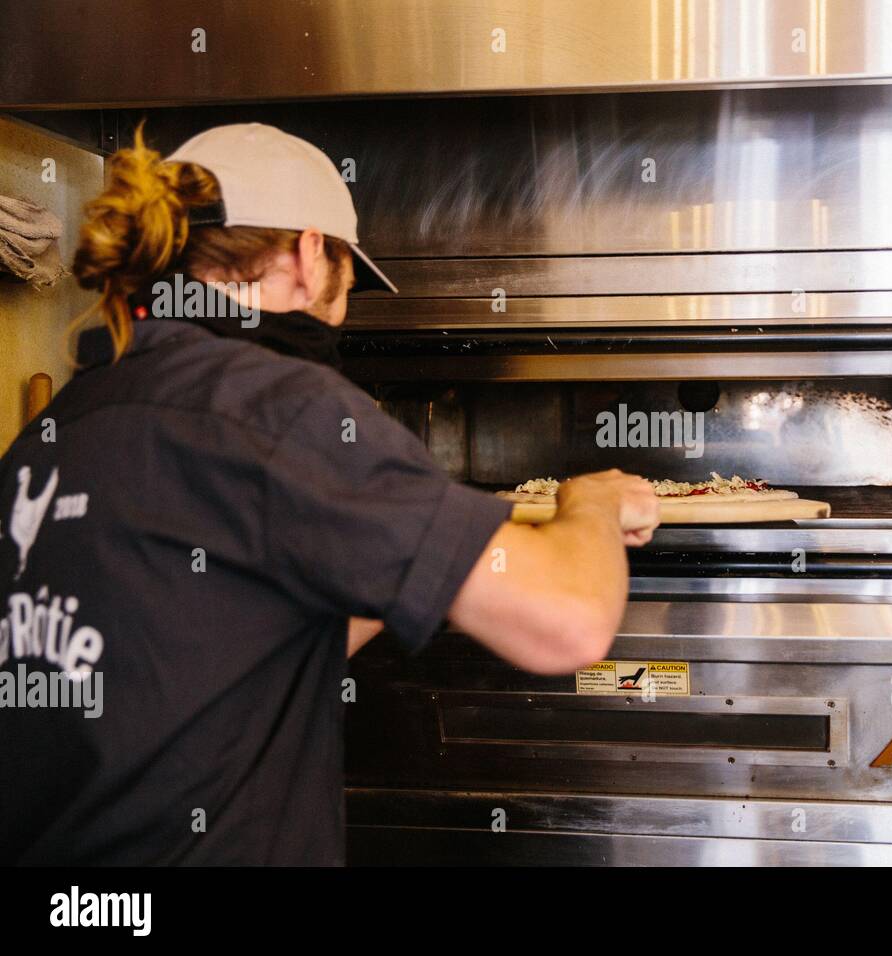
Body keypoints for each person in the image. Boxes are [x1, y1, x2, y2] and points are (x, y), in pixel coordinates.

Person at [0, 123, 659, 865]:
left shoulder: (58, 428)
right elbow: (568, 624)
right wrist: (590, 505)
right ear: (311, 255)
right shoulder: (274, 405)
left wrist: (427, 551)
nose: (342, 315)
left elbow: (210, 647)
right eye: (348, 281)